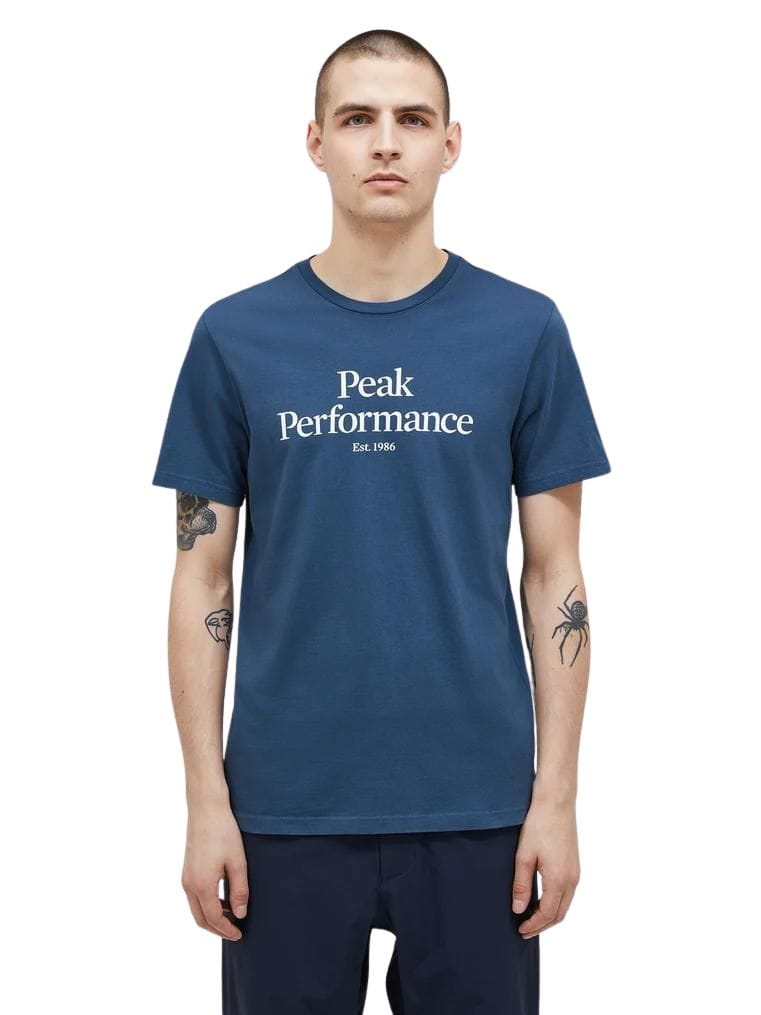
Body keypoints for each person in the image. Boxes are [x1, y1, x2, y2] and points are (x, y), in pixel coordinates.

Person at [152, 28, 612, 1015]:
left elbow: (555, 576)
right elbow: (201, 576)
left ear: (451, 142)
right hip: (283, 806)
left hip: (479, 804)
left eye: (411, 118)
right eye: (358, 118)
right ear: (315, 142)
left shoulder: (523, 329)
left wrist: (556, 799)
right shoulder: (233, 336)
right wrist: (204, 803)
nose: (386, 142)